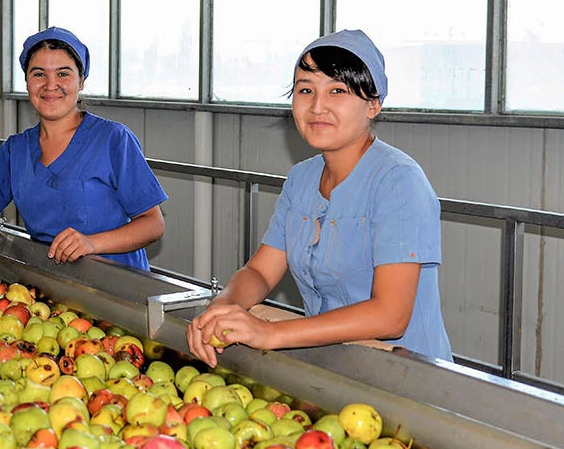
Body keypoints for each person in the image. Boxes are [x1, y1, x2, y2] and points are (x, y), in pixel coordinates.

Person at [186, 29, 452, 367]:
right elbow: (261, 272)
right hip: (334, 363)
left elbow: (390, 315)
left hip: (406, 375)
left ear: (373, 104)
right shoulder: (302, 179)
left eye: (337, 90)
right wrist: (222, 308)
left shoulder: (398, 182)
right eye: (305, 90)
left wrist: (271, 333)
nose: (317, 106)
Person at [0, 27, 168, 285]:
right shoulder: (15, 150)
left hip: (118, 290)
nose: (50, 85)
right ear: (28, 82)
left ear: (81, 81)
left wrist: (91, 243)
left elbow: (153, 224)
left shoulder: (113, 140)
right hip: (51, 288)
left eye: (63, 73)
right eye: (39, 74)